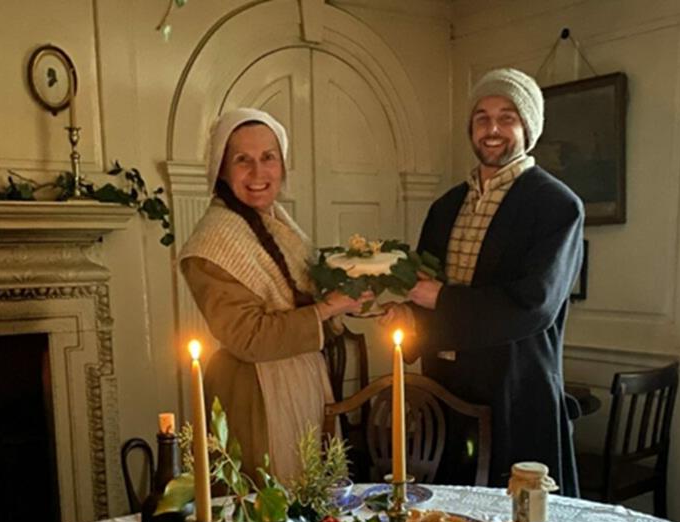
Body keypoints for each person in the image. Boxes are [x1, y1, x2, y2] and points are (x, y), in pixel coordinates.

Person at [384, 68, 583, 496]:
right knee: (445, 513)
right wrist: (407, 315)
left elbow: (535, 306)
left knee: (516, 520)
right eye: (481, 117)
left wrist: (440, 297)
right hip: (445, 394)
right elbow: (424, 290)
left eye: (506, 116)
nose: (492, 129)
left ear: (527, 127)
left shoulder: (556, 206)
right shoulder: (445, 206)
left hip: (515, 394)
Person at [178, 108, 371, 481]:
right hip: (255, 393)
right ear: (221, 168)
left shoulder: (279, 223)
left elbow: (303, 295)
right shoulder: (210, 245)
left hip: (304, 376)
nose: (258, 173)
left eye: (268, 158)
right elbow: (247, 337)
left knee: (314, 498)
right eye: (242, 161)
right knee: (270, 505)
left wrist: (352, 300)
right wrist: (325, 309)